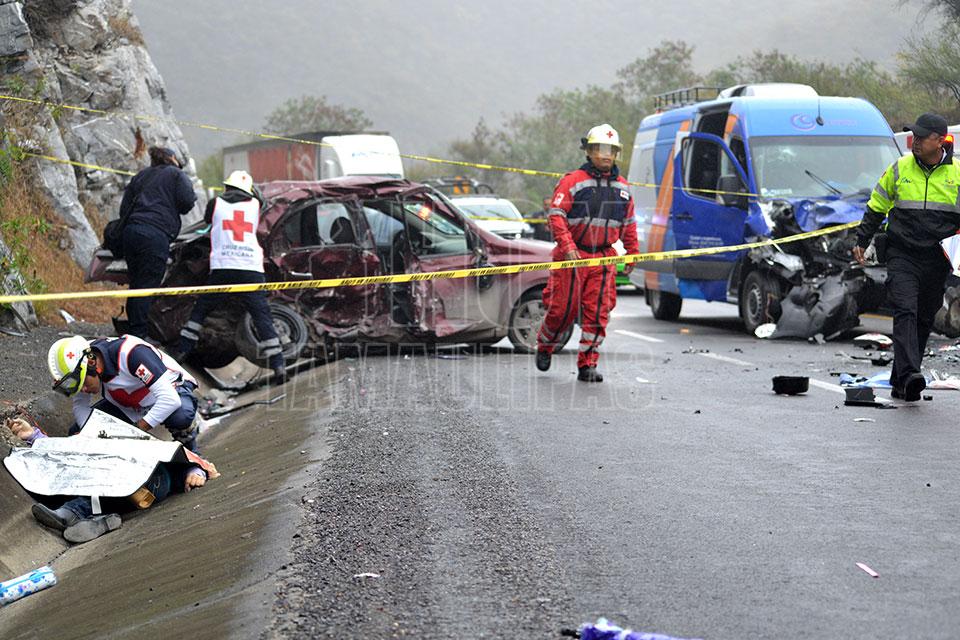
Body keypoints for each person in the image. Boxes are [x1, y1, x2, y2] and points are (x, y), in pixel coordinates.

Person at [854, 112, 960, 401]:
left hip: (937, 259)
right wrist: (862, 239)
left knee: (924, 317)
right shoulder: (900, 168)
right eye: (914, 136)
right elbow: (877, 204)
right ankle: (912, 373)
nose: (915, 142)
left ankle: (900, 379)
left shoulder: (956, 174)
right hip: (902, 254)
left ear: (939, 141)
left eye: (921, 137)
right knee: (905, 310)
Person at [535, 124, 640, 382]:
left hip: (603, 258)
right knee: (562, 310)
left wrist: (632, 252)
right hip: (572, 257)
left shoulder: (623, 188)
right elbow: (556, 215)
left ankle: (588, 364)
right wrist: (568, 247)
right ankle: (545, 345)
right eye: (600, 149)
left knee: (598, 314)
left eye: (611, 150)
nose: (606, 155)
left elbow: (628, 224)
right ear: (589, 151)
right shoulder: (572, 182)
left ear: (616, 154)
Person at [6, 417, 214, 544]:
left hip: (158, 478)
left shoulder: (133, 434)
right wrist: (33, 436)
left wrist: (196, 472)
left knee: (119, 479)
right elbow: (71, 450)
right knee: (94, 475)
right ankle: (98, 518)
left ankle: (74, 513)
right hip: (119, 482)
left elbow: (189, 458)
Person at [176, 170, 286, 381]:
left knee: (201, 309)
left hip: (223, 267)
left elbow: (208, 222)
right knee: (261, 316)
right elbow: (263, 203)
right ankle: (279, 366)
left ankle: (182, 351)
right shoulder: (255, 205)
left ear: (227, 187)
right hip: (250, 268)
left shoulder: (215, 203)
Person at [47, 334, 202, 451]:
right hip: (129, 402)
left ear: (93, 363)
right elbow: (80, 406)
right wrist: (93, 434)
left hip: (172, 389)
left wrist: (136, 431)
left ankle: (189, 442)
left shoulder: (132, 354)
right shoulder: (80, 362)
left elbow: (170, 399)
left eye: (84, 384)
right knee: (78, 432)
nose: (84, 390)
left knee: (181, 416)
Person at [120, 145, 197, 340]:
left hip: (131, 232)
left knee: (137, 282)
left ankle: (133, 327)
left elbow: (124, 208)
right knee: (147, 284)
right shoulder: (176, 175)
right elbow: (187, 202)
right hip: (155, 235)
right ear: (172, 158)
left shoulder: (142, 175)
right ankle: (138, 335)